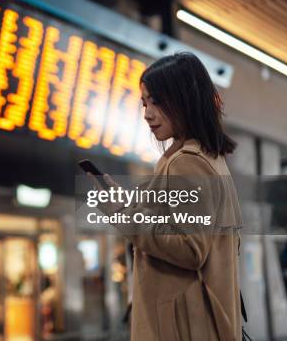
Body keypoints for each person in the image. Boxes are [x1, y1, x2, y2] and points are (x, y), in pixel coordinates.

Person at [88, 52, 243, 340]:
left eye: (156, 101)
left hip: (183, 328)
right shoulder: (208, 158)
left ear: (184, 99)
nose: (147, 113)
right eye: (145, 103)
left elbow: (189, 248)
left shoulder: (187, 162)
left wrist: (123, 214)